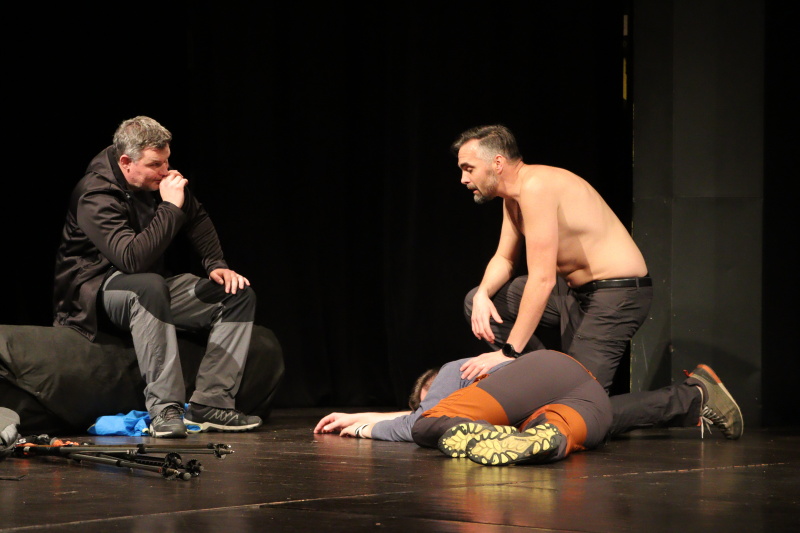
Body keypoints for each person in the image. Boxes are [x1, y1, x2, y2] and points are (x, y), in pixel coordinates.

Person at [452, 124, 743, 440]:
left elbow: (542, 280)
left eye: (469, 168)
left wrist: (509, 352)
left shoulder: (536, 186)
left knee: (574, 414)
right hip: (574, 293)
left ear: (497, 163)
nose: (464, 179)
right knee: (482, 302)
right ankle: (543, 389)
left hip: (617, 296)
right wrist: (482, 294)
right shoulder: (512, 198)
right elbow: (505, 259)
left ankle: (694, 397)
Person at [53, 116, 262, 438]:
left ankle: (210, 403)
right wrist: (170, 207)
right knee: (148, 286)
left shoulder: (152, 179)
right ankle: (165, 409)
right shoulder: (94, 194)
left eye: (167, 161)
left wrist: (215, 263)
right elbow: (131, 259)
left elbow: (196, 216)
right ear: (126, 162)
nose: (165, 171)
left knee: (236, 293)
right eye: (155, 164)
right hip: (96, 293)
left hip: (150, 285)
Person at [315, 350, 741, 466]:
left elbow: (417, 421)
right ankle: (695, 396)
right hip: (584, 402)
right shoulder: (505, 406)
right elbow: (410, 418)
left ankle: (693, 396)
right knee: (550, 439)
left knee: (430, 424)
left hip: (555, 376)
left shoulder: (453, 373)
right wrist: (369, 419)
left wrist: (366, 427)